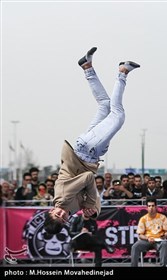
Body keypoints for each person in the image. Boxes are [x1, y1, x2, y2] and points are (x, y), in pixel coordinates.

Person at [44, 47, 140, 234]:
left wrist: (89, 203)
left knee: (118, 115)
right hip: (87, 150)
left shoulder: (63, 197)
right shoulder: (69, 208)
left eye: (57, 215)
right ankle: (87, 67)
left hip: (87, 151)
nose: (63, 215)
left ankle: (123, 72)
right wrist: (94, 210)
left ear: (51, 210)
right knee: (104, 105)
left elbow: (88, 179)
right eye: (63, 219)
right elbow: (90, 194)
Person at [131, 197, 167, 267]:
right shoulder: (143, 219)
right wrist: (147, 238)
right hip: (147, 240)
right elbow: (140, 235)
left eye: (153, 206)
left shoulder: (163, 217)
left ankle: (163, 265)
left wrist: (164, 236)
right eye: (149, 206)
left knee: (164, 244)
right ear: (147, 207)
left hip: (158, 241)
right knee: (135, 246)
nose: (151, 208)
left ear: (156, 207)